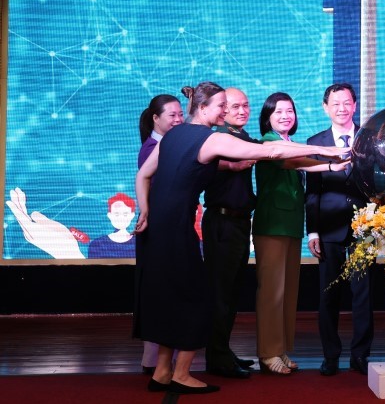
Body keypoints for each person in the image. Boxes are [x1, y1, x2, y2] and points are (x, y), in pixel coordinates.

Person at [134, 81, 344, 394]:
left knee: (174, 298)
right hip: (176, 228)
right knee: (196, 299)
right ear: (202, 108)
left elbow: (143, 175)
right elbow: (271, 150)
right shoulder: (211, 139)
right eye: (221, 106)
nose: (227, 111)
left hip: (160, 228)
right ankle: (181, 373)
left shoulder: (174, 135)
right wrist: (325, 150)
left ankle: (163, 372)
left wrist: (146, 210)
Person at [253, 92, 349, 375]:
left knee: (287, 291)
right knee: (272, 292)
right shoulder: (269, 142)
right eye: (278, 112)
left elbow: (300, 161)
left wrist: (330, 165)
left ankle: (280, 348)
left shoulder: (288, 143)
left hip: (290, 226)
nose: (286, 116)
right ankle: (268, 352)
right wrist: (328, 155)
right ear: (267, 117)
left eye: (290, 111)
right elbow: (291, 160)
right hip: (272, 226)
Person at [305, 83, 373, 376]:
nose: (342, 108)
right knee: (328, 294)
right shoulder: (315, 142)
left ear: (355, 105)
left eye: (347, 103)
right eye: (335, 103)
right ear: (325, 108)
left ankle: (360, 355)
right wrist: (313, 232)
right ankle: (330, 356)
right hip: (328, 227)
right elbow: (312, 191)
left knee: (363, 294)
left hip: (364, 227)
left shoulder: (370, 139)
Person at [201, 87, 259, 379]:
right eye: (235, 106)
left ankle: (223, 351)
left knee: (232, 292)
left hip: (239, 223)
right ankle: (217, 357)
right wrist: (232, 165)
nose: (242, 111)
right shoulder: (218, 137)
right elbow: (206, 163)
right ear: (222, 109)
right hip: (221, 222)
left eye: (246, 105)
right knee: (220, 293)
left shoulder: (242, 136)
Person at [137, 94, 184, 375]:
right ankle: (154, 361)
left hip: (170, 227)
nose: (179, 120)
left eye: (181, 114)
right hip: (158, 229)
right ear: (155, 118)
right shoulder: (152, 148)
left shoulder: (168, 144)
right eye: (172, 115)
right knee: (160, 293)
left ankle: (162, 360)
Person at [87, 193, 137, 258]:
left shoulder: (138, 243)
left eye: (125, 214)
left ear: (132, 215)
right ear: (109, 215)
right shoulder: (97, 244)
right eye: (116, 214)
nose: (120, 218)